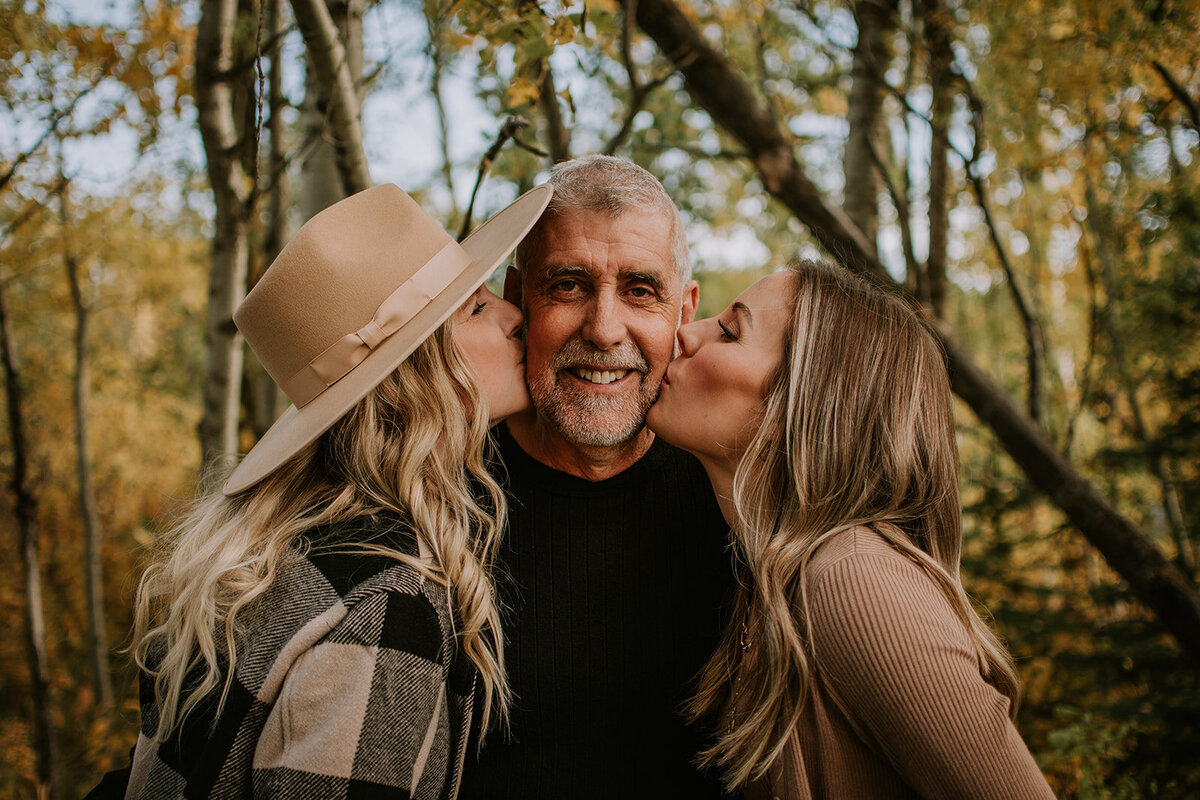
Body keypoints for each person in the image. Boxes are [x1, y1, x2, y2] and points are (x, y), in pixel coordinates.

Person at [111, 182, 551, 798]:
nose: (514, 315)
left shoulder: (262, 558)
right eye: (476, 309)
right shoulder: (385, 599)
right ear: (415, 378)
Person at [647, 260, 1056, 799]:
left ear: (798, 404)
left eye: (729, 330)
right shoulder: (764, 577)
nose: (687, 331)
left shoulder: (856, 581)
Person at [457, 156, 733, 797]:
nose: (605, 330)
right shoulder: (436, 499)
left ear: (683, 310)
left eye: (640, 290)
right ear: (515, 296)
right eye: (569, 286)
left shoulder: (738, 501)